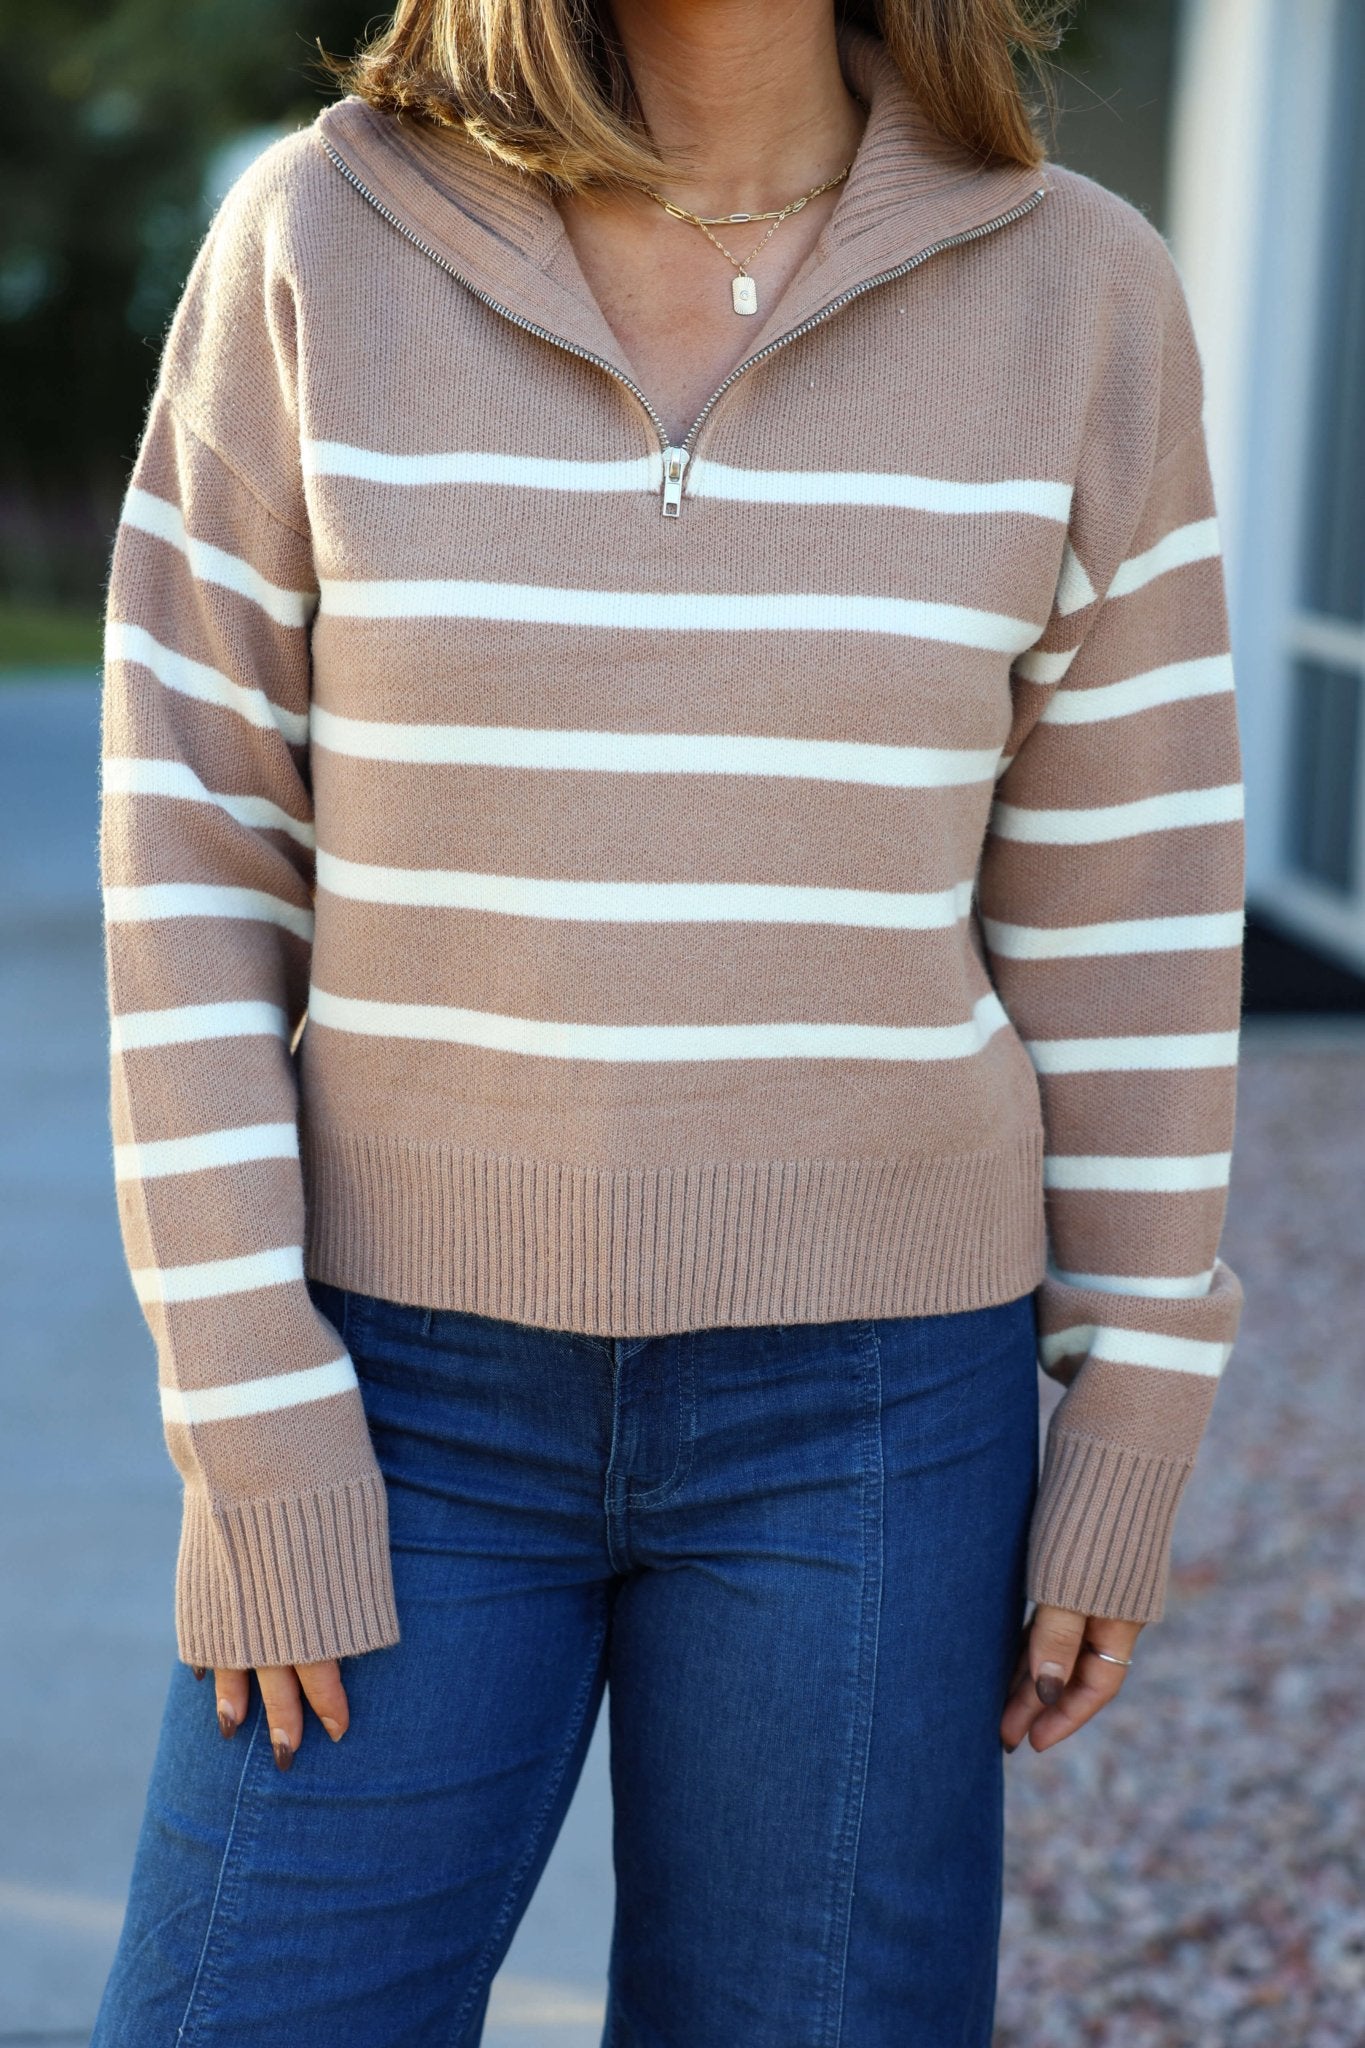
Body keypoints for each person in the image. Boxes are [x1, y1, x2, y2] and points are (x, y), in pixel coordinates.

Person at [90, 0, 1246, 2039]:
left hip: (877, 1418)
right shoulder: (315, 246)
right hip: (395, 1401)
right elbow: (190, 862)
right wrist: (249, 1411)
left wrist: (1130, 1402)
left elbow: (1125, 906)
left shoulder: (1077, 290)